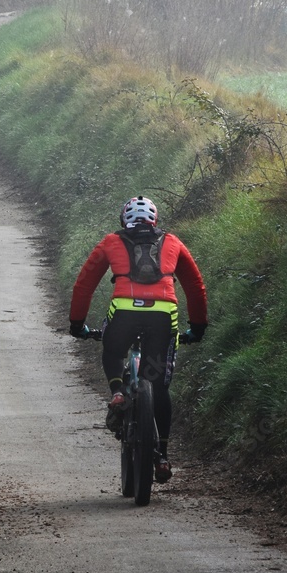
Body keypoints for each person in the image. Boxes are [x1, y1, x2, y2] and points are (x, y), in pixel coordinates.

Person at [68, 195, 208, 484]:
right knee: (157, 385)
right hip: (162, 317)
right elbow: (195, 285)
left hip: (124, 313)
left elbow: (85, 283)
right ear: (154, 220)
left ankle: (118, 391)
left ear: (124, 220)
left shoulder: (111, 241)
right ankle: (163, 456)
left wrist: (77, 324)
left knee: (113, 349)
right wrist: (197, 327)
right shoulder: (172, 242)